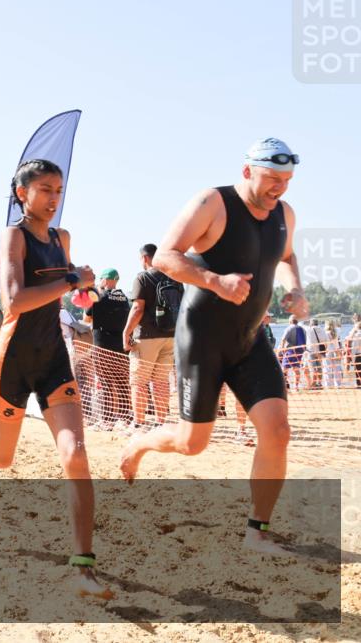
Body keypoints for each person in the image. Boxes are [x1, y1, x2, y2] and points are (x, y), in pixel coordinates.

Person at [120, 138, 308, 555]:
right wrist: (214, 282)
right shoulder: (213, 203)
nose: (280, 188)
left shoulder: (285, 214)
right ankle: (140, 442)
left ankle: (256, 531)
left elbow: (288, 257)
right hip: (202, 339)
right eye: (272, 178)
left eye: (287, 180)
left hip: (249, 340)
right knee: (193, 444)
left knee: (277, 432)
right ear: (247, 171)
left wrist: (294, 289)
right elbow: (166, 256)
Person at [0, 159, 111, 599]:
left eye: (58, 190)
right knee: (1, 458)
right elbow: (15, 300)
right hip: (13, 360)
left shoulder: (61, 238)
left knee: (76, 454)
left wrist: (83, 285)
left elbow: (68, 285)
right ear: (22, 194)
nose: (53, 198)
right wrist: (68, 279)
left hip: (53, 360)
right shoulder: (13, 237)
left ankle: (82, 567)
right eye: (44, 189)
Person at [123, 244, 183, 428]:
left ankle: (139, 424)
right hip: (170, 336)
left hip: (147, 336)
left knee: (139, 382)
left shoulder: (142, 278)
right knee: (161, 381)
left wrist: (126, 332)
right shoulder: (175, 278)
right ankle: (160, 422)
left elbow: (137, 308)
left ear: (145, 258)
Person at [86, 269, 132, 428]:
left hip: (102, 344)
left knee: (105, 382)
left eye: (101, 278)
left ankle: (107, 420)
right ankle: (125, 418)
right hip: (121, 345)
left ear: (106, 280)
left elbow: (87, 317)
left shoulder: (98, 295)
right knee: (122, 382)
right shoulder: (124, 298)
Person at [279, 316, 307, 390]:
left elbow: (283, 339)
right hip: (299, 351)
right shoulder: (302, 329)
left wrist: (282, 349)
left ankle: (284, 386)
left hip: (290, 351)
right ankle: (296, 387)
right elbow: (305, 341)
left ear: (290, 321)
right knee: (296, 369)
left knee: (284, 368)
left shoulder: (289, 328)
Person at [303, 318, 328, 389]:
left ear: (311, 323)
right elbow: (326, 341)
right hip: (319, 352)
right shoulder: (322, 330)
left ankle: (313, 384)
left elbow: (301, 325)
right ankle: (319, 383)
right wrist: (324, 350)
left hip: (310, 351)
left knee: (312, 368)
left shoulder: (309, 329)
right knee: (319, 368)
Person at [323, 320, 344, 389]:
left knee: (327, 368)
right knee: (337, 368)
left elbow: (324, 343)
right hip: (336, 350)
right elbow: (340, 329)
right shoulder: (337, 330)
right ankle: (338, 385)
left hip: (328, 351)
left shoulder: (325, 333)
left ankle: (328, 385)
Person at [348, 320, 361, 388]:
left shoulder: (357, 335)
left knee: (358, 371)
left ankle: (359, 385)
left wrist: (352, 359)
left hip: (358, 355)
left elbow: (354, 348)